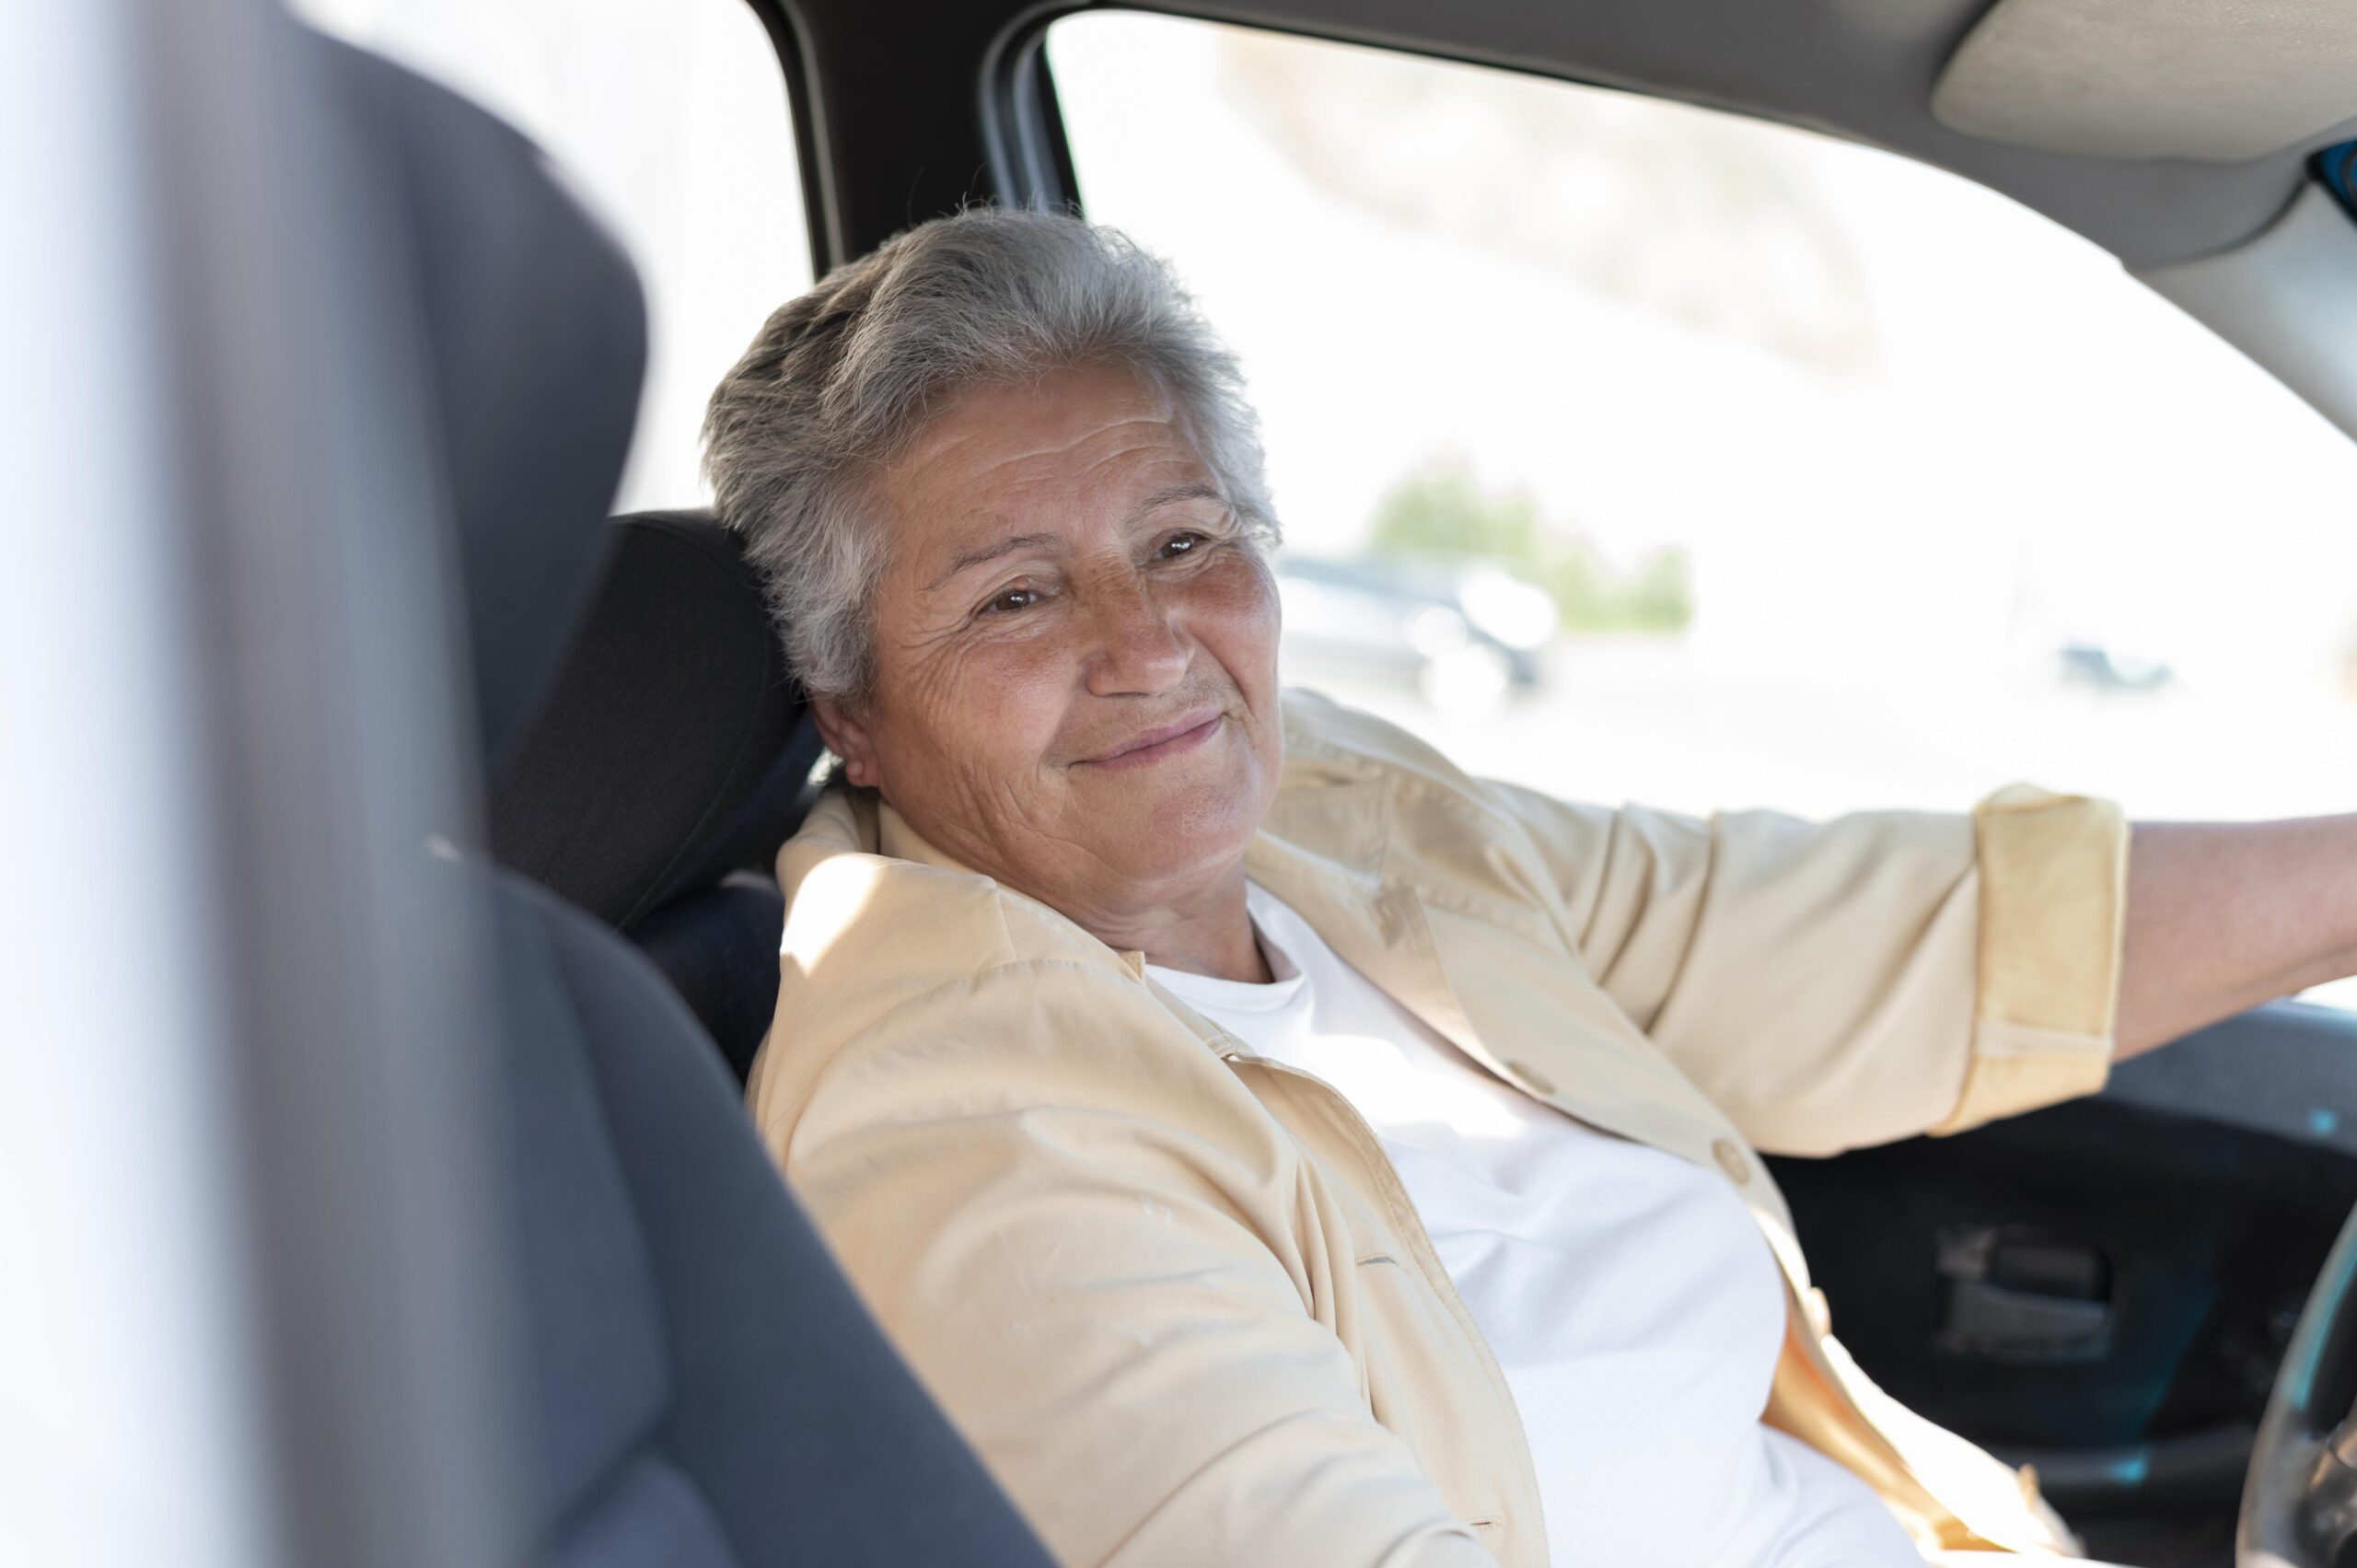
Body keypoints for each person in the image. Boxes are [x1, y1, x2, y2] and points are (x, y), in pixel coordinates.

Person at [702, 207, 2357, 1567]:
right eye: (1013, 599)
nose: (1152, 649)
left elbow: (1874, 941)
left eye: (1188, 542)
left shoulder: (1336, 817)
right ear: (850, 704)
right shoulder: (959, 1132)